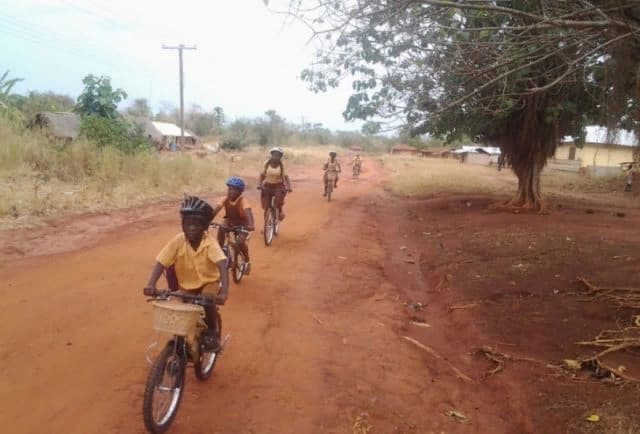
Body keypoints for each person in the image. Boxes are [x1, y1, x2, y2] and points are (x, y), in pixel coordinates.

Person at [143, 195, 229, 351]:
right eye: (188, 224)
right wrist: (151, 284)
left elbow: (222, 265)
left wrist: (223, 292)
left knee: (207, 300)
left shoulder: (210, 243)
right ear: (182, 225)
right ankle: (177, 352)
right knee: (178, 311)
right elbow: (161, 261)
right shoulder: (178, 241)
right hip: (188, 284)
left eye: (196, 224)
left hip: (209, 281)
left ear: (204, 227)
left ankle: (212, 333)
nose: (191, 228)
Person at [212, 177, 256, 274]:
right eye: (229, 189)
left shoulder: (243, 201)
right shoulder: (225, 199)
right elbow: (215, 211)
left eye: (234, 190)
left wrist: (250, 225)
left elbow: (247, 212)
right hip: (230, 221)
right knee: (221, 228)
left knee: (240, 242)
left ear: (240, 192)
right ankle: (222, 251)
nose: (231, 192)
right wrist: (206, 221)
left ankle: (247, 261)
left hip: (243, 223)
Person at [258, 147, 292, 220]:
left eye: (278, 155)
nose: (276, 157)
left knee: (278, 201)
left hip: (278, 186)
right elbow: (262, 175)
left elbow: (286, 177)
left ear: (280, 157)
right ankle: (266, 227)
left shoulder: (282, 165)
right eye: (274, 155)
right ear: (271, 155)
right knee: (267, 207)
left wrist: (289, 187)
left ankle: (279, 211)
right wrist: (259, 184)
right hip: (267, 185)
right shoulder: (266, 164)